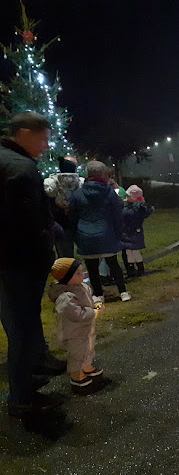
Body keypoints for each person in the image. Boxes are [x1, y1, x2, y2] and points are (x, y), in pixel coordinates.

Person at [0, 112, 67, 418]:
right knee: (22, 327)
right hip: (19, 263)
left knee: (20, 323)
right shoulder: (21, 169)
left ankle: (31, 370)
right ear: (24, 133)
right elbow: (25, 224)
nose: (47, 144)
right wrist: (45, 238)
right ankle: (22, 397)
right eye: (43, 137)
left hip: (9, 261)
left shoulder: (8, 160)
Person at [69, 161, 132, 302]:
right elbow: (117, 215)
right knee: (113, 264)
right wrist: (118, 233)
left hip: (85, 235)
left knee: (92, 267)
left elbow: (72, 217)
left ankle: (98, 294)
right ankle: (123, 291)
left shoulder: (78, 194)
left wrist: (76, 236)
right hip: (106, 233)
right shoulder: (109, 193)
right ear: (103, 174)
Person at [48, 258, 110, 395]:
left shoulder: (82, 287)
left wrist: (97, 302)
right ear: (67, 278)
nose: (83, 276)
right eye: (78, 274)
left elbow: (91, 297)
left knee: (88, 347)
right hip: (74, 332)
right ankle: (76, 374)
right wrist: (93, 312)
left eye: (82, 272)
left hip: (86, 329)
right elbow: (76, 314)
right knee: (77, 353)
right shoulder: (66, 297)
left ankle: (87, 366)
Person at [44, 155, 83, 258]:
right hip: (79, 220)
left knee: (65, 256)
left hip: (60, 221)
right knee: (89, 255)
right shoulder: (80, 182)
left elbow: (48, 196)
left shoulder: (52, 183)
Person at [121, 185, 154, 277]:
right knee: (134, 251)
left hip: (128, 233)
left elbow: (126, 215)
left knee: (129, 252)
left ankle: (131, 269)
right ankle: (139, 268)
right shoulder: (141, 207)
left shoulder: (133, 209)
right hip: (136, 232)